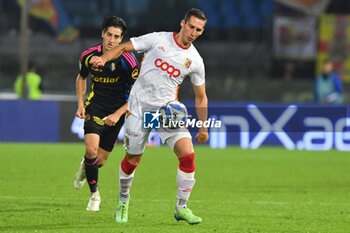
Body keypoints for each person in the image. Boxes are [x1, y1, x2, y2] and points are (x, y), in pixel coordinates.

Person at [90, 8, 209, 224]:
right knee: (133, 159)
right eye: (191, 26)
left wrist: (203, 127)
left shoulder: (195, 60)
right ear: (182, 23)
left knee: (188, 156)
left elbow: (201, 97)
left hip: (167, 112)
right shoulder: (158, 39)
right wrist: (105, 58)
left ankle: (182, 207)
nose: (193, 32)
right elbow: (126, 46)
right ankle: (123, 201)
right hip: (138, 108)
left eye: (199, 30)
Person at [74, 15, 139, 212]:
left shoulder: (128, 61)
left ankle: (85, 168)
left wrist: (118, 115)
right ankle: (95, 195)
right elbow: (81, 78)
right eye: (109, 34)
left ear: (122, 40)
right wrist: (80, 104)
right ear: (102, 34)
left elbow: (137, 95)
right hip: (95, 106)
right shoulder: (88, 55)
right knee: (91, 150)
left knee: (99, 160)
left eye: (116, 37)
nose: (112, 40)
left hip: (118, 110)